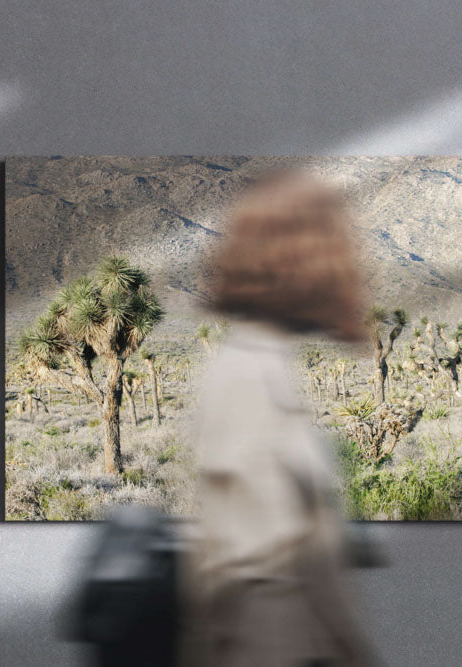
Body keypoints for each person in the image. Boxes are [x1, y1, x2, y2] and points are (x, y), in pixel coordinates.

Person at [183, 171, 379, 666]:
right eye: (333, 246)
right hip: (270, 645)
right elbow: (280, 554)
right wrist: (351, 649)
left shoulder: (253, 362)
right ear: (299, 260)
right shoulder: (252, 374)